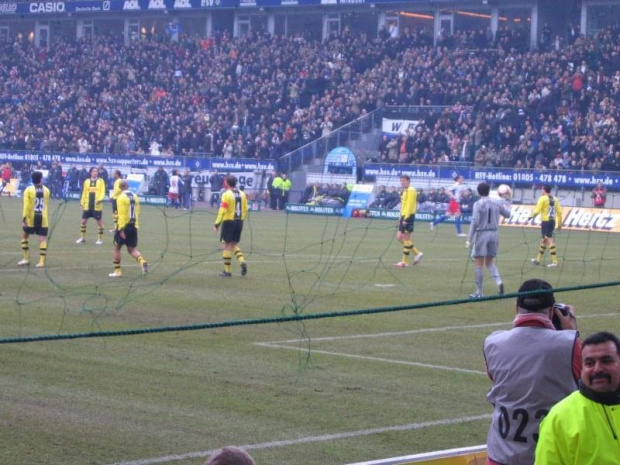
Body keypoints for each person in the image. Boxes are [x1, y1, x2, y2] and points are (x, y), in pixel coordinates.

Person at [484, 278, 581, 465]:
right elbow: (586, 383)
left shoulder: (492, 343)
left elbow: (494, 376)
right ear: (552, 311)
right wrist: (571, 331)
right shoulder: (570, 344)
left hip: (500, 455)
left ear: (516, 307)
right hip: (551, 456)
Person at [535, 331, 620, 465]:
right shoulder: (559, 417)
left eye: (606, 360)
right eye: (589, 363)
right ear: (582, 368)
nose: (597, 369)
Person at [466, 182, 511, 298]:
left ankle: (479, 292)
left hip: (482, 233)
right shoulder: (497, 202)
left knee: (478, 262)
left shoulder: (478, 204)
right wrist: (508, 201)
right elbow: (507, 215)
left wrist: (469, 238)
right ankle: (499, 282)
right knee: (490, 261)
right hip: (494, 234)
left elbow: (475, 222)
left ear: (479, 192)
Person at [109, 180, 148, 277]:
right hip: (134, 225)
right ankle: (142, 261)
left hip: (124, 226)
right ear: (128, 186)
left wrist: (120, 229)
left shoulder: (120, 197)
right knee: (131, 249)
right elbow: (137, 212)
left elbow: (121, 215)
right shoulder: (135, 196)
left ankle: (117, 271)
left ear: (119, 187)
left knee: (117, 248)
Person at [213, 175, 248, 277]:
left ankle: (227, 271)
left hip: (229, 222)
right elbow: (245, 208)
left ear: (227, 183)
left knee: (226, 246)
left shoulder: (226, 194)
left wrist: (217, 223)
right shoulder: (242, 194)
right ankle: (242, 261)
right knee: (233, 245)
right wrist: (242, 219)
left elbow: (222, 209)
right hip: (239, 222)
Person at [18, 171, 50, 268]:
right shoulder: (47, 190)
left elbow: (26, 206)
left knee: (24, 237)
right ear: (41, 179)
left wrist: (24, 218)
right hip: (43, 218)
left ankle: (26, 259)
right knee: (42, 239)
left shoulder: (28, 190)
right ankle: (41, 262)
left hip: (31, 218)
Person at [529, 185, 563, 267]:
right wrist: (559, 224)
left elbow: (537, 210)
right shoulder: (555, 199)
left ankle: (555, 262)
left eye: (542, 189)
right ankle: (538, 260)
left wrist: (531, 216)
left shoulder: (542, 198)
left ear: (544, 190)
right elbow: (559, 212)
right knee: (543, 240)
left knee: (549, 240)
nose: (541, 191)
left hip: (546, 222)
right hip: (552, 221)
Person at [393, 175, 423, 268]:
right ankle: (417, 253)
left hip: (408, 216)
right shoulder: (405, 190)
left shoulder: (411, 190)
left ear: (408, 181)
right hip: (404, 216)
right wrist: (400, 217)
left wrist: (406, 218)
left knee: (405, 239)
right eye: (401, 180)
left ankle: (404, 262)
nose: (402, 182)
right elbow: (404, 205)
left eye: (404, 180)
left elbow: (410, 205)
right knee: (399, 237)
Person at [76, 167, 106, 245]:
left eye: (96, 171)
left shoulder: (101, 181)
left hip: (97, 206)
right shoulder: (86, 181)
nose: (95, 172)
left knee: (99, 223)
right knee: (83, 222)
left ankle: (100, 239)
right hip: (87, 206)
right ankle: (82, 238)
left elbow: (103, 192)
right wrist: (82, 202)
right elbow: (84, 192)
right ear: (90, 173)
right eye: (94, 171)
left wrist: (99, 199)